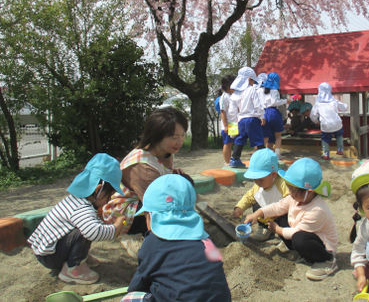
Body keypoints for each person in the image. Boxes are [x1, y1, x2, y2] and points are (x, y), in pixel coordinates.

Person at [121, 174, 231, 302]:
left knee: (130, 298)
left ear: (151, 216)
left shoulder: (152, 244)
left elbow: (139, 283)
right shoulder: (206, 240)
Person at [102, 106, 189, 258]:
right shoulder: (143, 167)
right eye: (174, 137)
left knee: (185, 183)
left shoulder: (165, 152)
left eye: (182, 136)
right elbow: (154, 208)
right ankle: (132, 236)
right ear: (157, 135)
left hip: (143, 197)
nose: (179, 142)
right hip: (125, 211)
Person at [28, 153, 126, 284]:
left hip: (47, 250)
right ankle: (73, 268)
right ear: (98, 190)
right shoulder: (81, 208)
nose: (109, 200)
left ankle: (79, 257)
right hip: (50, 256)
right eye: (109, 195)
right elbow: (94, 232)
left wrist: (102, 221)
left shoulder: (76, 200)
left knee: (87, 226)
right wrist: (116, 227)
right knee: (84, 231)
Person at [244, 158, 338, 281]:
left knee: (299, 238)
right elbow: (278, 207)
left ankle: (327, 261)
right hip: (302, 236)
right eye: (289, 188)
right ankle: (299, 252)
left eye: (294, 190)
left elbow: (296, 232)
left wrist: (277, 229)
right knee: (279, 216)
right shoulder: (295, 198)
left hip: (321, 246)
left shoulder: (317, 210)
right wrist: (258, 213)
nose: (290, 193)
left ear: (309, 192)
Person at [232, 148, 289, 241]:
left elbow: (291, 202)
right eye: (255, 179)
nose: (257, 182)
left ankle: (284, 235)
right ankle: (264, 228)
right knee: (255, 202)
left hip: (280, 215)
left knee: (287, 217)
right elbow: (249, 197)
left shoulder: (282, 184)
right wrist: (239, 208)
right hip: (266, 217)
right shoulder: (258, 186)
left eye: (260, 179)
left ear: (273, 175)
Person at [228, 66, 266, 168]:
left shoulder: (234, 94)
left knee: (239, 139)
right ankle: (264, 160)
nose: (254, 83)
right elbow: (257, 105)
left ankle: (234, 159)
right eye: (253, 81)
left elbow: (231, 113)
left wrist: (232, 130)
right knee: (258, 140)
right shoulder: (252, 90)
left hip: (241, 120)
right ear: (249, 79)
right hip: (252, 118)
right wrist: (262, 116)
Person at [310, 82, 348, 160]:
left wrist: (316, 121)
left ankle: (326, 154)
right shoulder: (334, 101)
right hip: (337, 123)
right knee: (339, 135)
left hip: (326, 125)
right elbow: (344, 107)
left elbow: (313, 115)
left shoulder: (318, 103)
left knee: (325, 139)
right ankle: (340, 150)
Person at [261, 72, 290, 158]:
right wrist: (286, 101)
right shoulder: (274, 90)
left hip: (264, 113)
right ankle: (277, 154)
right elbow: (274, 102)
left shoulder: (262, 90)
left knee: (266, 136)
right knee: (278, 135)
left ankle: (266, 154)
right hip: (273, 112)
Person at [219, 75, 237, 166]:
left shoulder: (233, 95)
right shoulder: (224, 97)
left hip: (233, 124)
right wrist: (225, 125)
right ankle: (227, 162)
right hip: (227, 125)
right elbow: (223, 112)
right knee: (227, 143)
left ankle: (233, 161)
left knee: (234, 143)